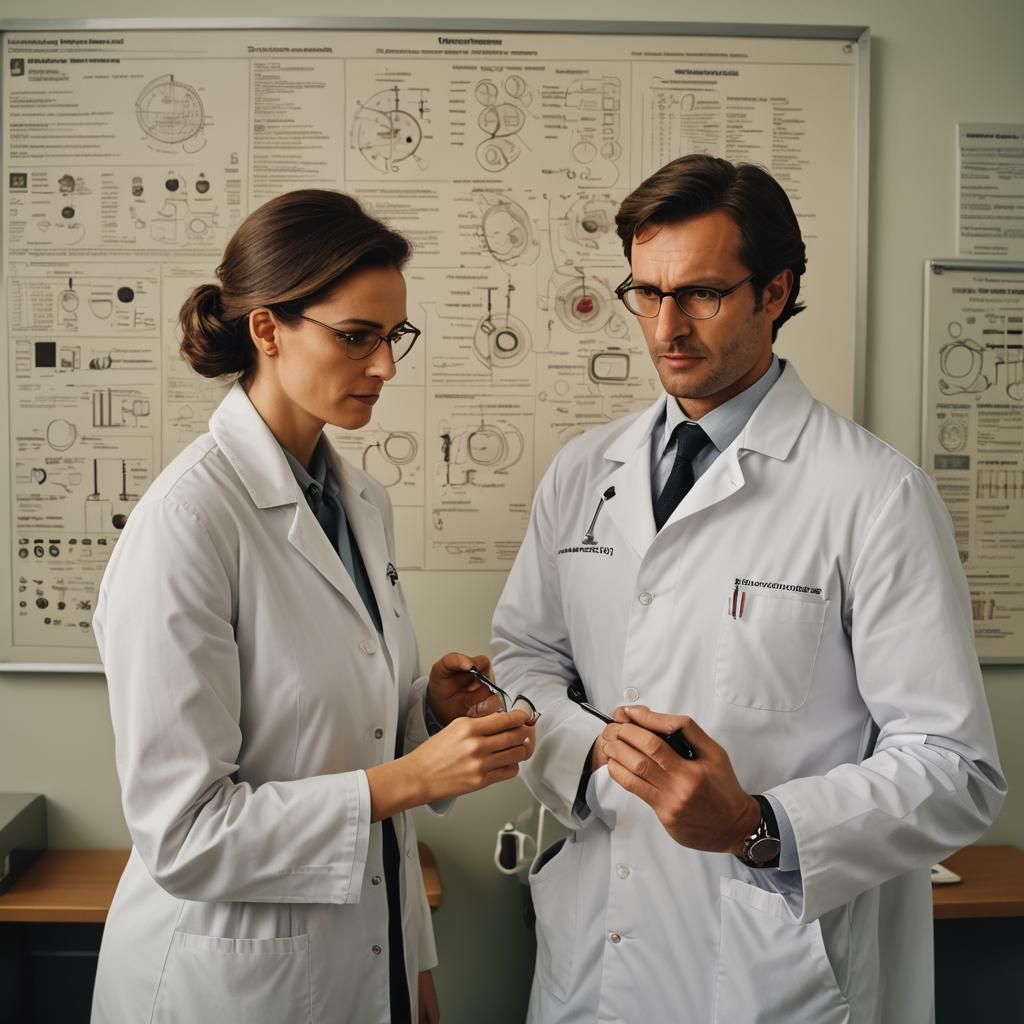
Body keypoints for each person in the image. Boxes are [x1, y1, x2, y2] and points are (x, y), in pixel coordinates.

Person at [491, 155, 1006, 1023]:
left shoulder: (873, 494)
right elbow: (525, 657)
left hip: (770, 970)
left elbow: (956, 771)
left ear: (775, 291)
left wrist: (756, 825)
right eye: (646, 293)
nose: (666, 328)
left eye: (701, 294)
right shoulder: (585, 472)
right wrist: (592, 760)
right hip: (597, 953)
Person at [91, 189, 536, 1024]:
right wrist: (411, 777)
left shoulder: (357, 499)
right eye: (356, 336)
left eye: (393, 335)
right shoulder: (187, 522)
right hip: (229, 984)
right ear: (268, 330)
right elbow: (185, 834)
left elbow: (337, 738)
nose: (386, 367)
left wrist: (427, 715)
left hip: (369, 963)